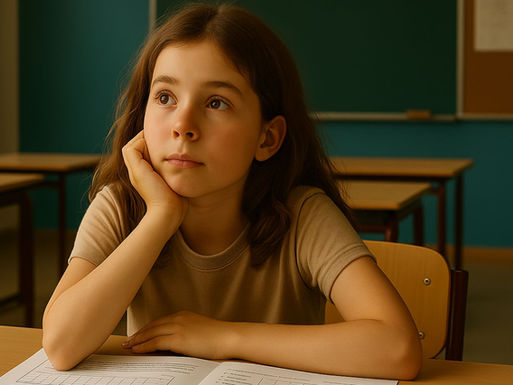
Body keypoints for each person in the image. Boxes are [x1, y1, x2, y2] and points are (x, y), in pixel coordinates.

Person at [42, 3, 421, 379]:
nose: (183, 125)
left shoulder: (303, 215)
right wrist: (161, 217)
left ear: (267, 137)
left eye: (216, 103)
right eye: (165, 98)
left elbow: (397, 348)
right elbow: (60, 346)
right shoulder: (121, 205)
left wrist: (223, 337)